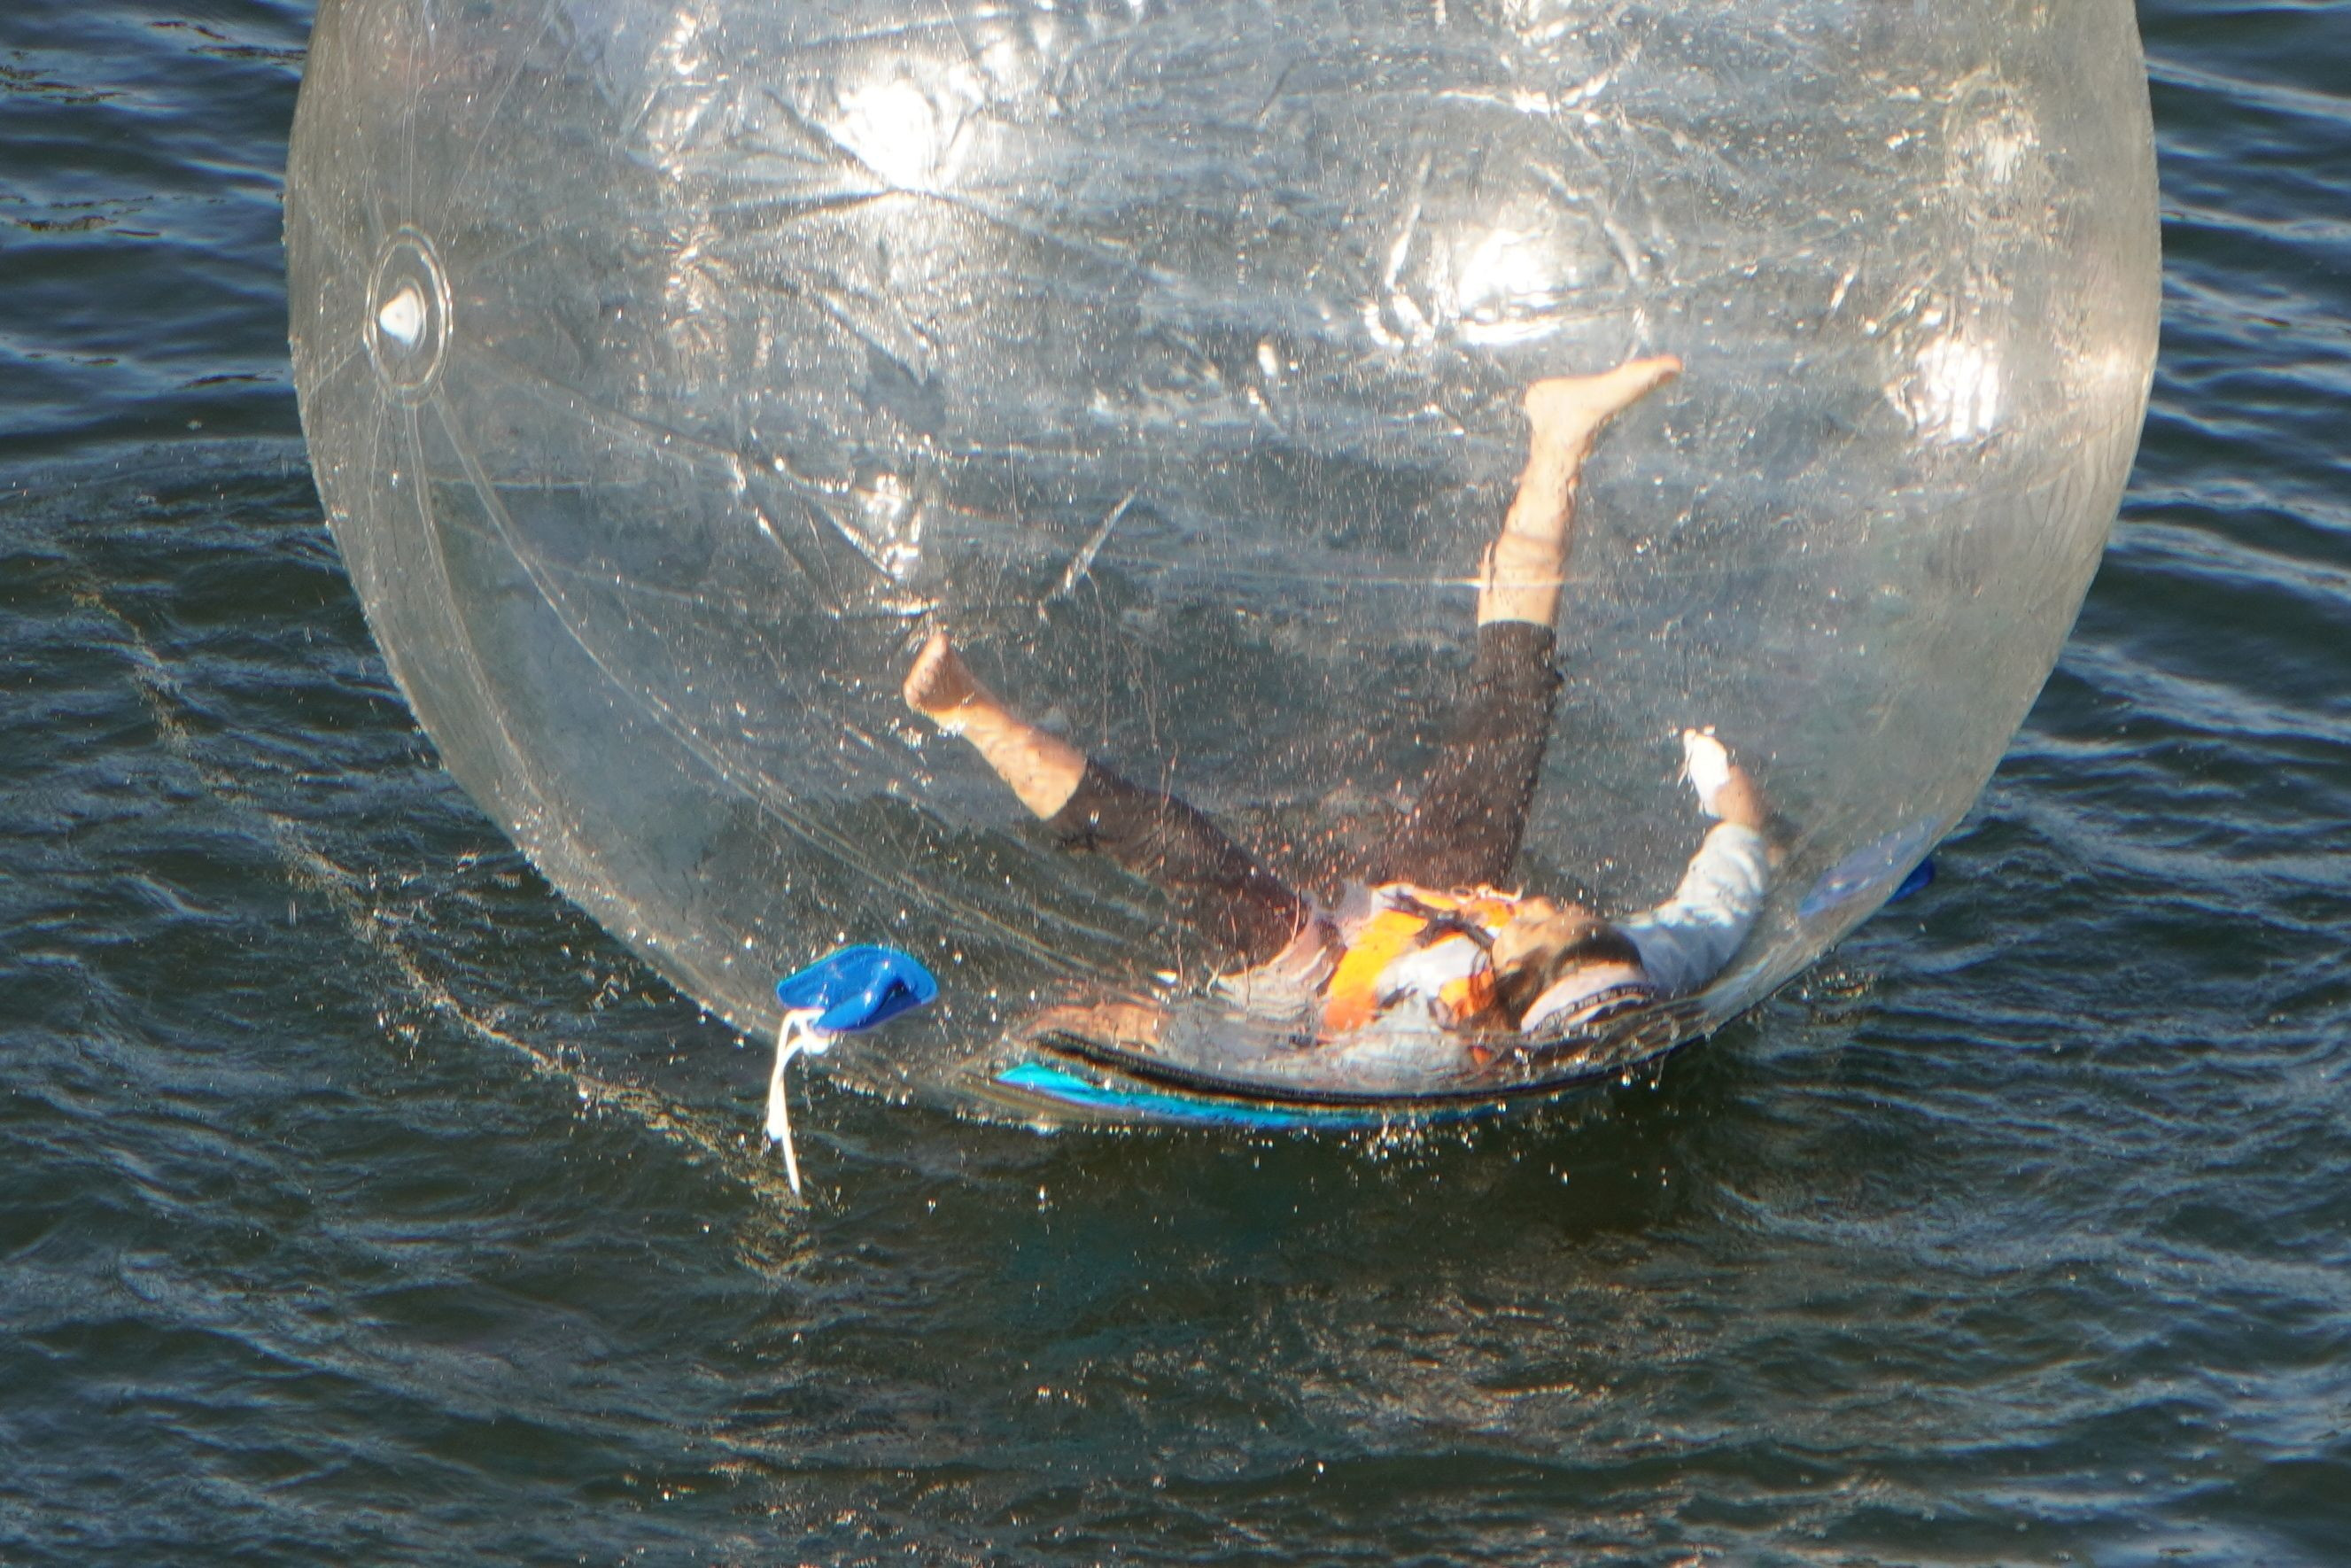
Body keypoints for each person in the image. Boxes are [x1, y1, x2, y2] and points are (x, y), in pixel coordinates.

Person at [901, 354, 1774, 1044]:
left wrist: (1144, 1031)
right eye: (1570, 914)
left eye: (1540, 929)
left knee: (1174, 843)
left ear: (1507, 994)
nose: (1540, 903)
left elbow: (1282, 1063)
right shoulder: (1640, 963)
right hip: (1424, 907)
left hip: (1314, 987)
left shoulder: (1418, 1051)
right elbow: (1714, 911)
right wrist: (1742, 822)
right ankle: (1560, 438)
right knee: (1515, 697)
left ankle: (967, 710)